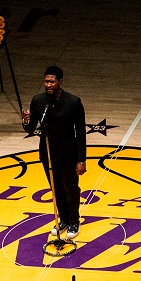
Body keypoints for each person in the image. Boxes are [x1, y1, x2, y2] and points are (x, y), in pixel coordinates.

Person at [21, 65, 86, 239]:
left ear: (60, 82)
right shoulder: (38, 101)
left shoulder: (73, 102)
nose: (48, 84)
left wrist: (81, 160)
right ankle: (63, 219)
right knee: (56, 188)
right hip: (48, 153)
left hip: (68, 153)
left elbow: (80, 133)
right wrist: (25, 121)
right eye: (46, 81)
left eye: (52, 81)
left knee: (71, 188)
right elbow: (30, 128)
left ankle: (74, 221)